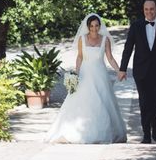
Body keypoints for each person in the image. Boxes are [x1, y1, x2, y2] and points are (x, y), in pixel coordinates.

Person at [45, 13, 127, 143]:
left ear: (100, 26)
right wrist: (76, 75)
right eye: (92, 26)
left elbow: (110, 58)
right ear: (88, 27)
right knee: (82, 101)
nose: (94, 28)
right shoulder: (82, 39)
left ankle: (103, 133)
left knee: (103, 102)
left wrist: (119, 71)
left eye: (96, 26)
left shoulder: (105, 39)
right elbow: (80, 57)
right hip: (84, 74)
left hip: (100, 75)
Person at [118, 0, 156, 144]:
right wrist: (122, 68)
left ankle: (154, 124)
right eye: (146, 9)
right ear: (143, 10)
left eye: (151, 9)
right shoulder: (136, 26)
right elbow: (128, 48)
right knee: (144, 102)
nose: (149, 12)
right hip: (141, 71)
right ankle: (146, 134)